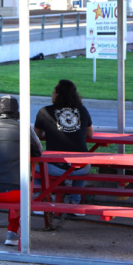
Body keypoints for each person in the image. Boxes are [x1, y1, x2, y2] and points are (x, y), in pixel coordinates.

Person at [0, 95, 43, 246]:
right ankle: (12, 233)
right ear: (18, 114)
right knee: (21, 181)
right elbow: (38, 151)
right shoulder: (23, 128)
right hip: (15, 193)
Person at [33, 79, 94, 207]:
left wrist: (50, 132)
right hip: (81, 168)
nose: (52, 93)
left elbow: (35, 136)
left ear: (59, 94)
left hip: (55, 167)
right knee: (81, 161)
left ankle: (42, 199)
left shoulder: (44, 111)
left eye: (54, 91)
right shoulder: (82, 110)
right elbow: (89, 134)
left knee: (32, 166)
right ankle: (75, 202)